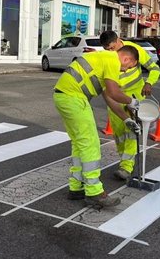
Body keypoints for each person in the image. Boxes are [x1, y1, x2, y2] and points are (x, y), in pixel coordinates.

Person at [53, 46, 143, 209]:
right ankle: (94, 192)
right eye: (128, 67)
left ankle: (76, 187)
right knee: (91, 144)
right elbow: (115, 93)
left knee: (79, 143)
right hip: (74, 98)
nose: (125, 70)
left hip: (63, 96)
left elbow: (109, 97)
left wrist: (126, 119)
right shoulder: (112, 60)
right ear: (127, 59)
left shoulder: (102, 59)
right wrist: (133, 102)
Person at [100, 30, 160, 180]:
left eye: (112, 48)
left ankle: (126, 167)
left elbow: (154, 68)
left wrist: (148, 83)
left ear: (119, 41)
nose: (110, 52)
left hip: (135, 96)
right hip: (115, 98)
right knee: (120, 134)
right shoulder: (107, 56)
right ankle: (124, 161)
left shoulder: (134, 50)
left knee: (133, 131)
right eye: (106, 49)